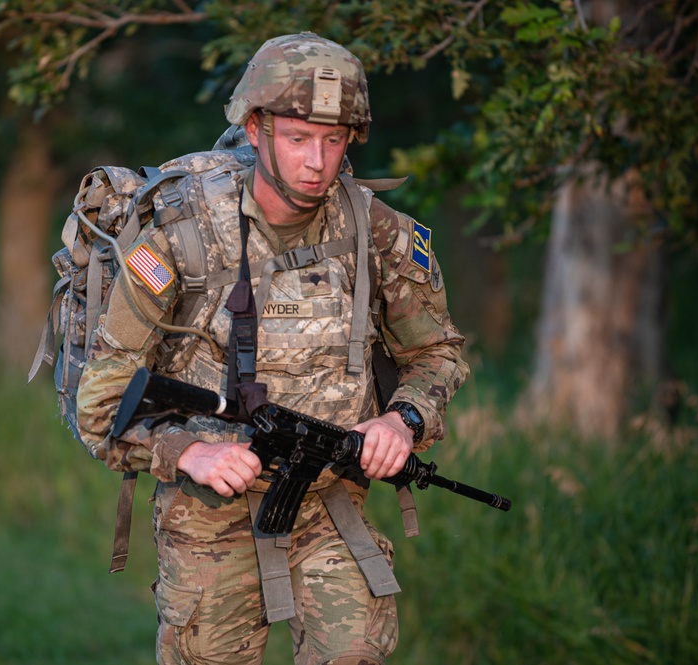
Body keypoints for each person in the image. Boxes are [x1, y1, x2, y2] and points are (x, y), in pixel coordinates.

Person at [77, 32, 469, 665]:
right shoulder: (181, 236)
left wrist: (404, 419)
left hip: (327, 504)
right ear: (255, 129)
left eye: (334, 140)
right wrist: (189, 450)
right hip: (208, 518)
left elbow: (438, 356)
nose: (318, 161)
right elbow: (98, 403)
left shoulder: (376, 232)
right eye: (298, 138)